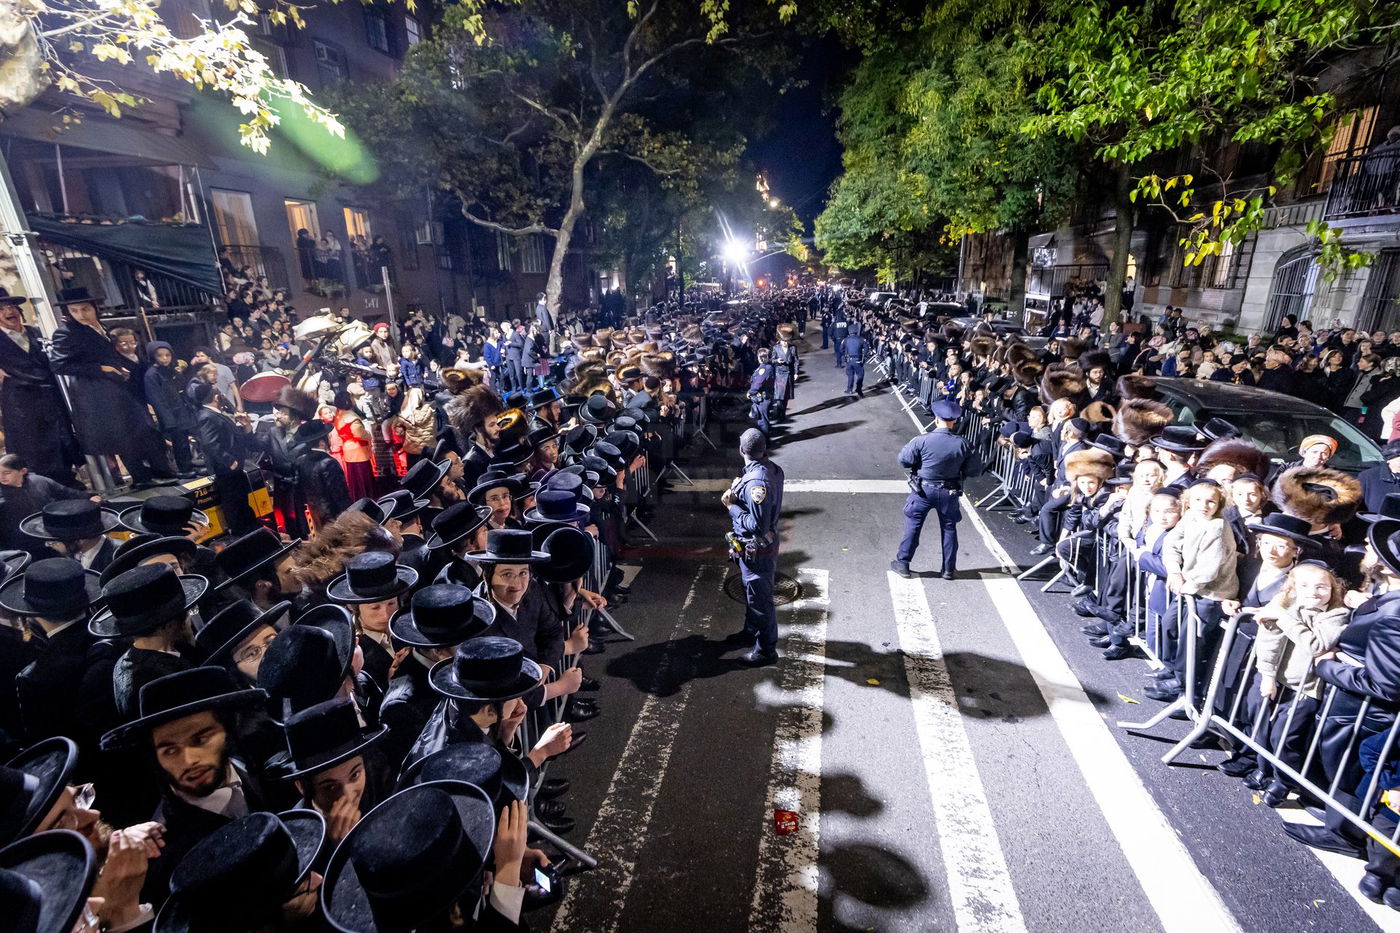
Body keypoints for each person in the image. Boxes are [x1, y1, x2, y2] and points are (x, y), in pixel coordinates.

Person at [48, 291, 172, 487]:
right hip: (95, 393)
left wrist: (119, 367)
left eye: (85, 309)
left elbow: (104, 354)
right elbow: (59, 365)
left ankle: (155, 473)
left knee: (137, 430)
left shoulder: (99, 327)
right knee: (121, 435)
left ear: (95, 308)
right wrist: (100, 369)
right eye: (75, 310)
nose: (81, 314)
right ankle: (142, 478)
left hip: (114, 387)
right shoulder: (67, 332)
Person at [891, 400, 983, 581]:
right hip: (949, 491)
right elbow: (974, 470)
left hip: (923, 490)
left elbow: (904, 461)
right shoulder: (963, 443)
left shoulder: (922, 440)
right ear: (954, 421)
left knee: (913, 526)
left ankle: (903, 563)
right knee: (949, 529)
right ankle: (948, 569)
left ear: (936, 419)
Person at [721, 428, 785, 666]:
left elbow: (758, 525)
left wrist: (732, 506)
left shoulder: (757, 482)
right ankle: (750, 632)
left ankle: (766, 651)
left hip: (757, 551)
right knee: (752, 593)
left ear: (741, 450)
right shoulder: (770, 470)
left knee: (760, 601)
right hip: (756, 550)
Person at [0, 291, 78, 483]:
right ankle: (42, 486)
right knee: (32, 445)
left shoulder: (35, 332)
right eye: (1, 309)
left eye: (11, 306)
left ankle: (66, 480)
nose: (8, 312)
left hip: (50, 396)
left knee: (60, 439)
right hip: (21, 401)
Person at [193, 382, 263, 536]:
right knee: (234, 505)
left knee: (242, 502)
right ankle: (243, 535)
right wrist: (229, 461)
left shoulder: (215, 414)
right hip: (226, 470)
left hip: (235, 469)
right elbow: (209, 443)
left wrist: (245, 426)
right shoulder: (206, 416)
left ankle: (252, 531)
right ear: (217, 397)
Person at [843, 323, 868, 396]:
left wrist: (845, 355)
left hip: (849, 359)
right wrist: (864, 356)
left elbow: (841, 349)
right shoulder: (861, 339)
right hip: (858, 359)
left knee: (850, 375)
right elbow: (866, 348)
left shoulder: (846, 340)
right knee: (860, 375)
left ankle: (849, 389)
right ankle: (859, 389)